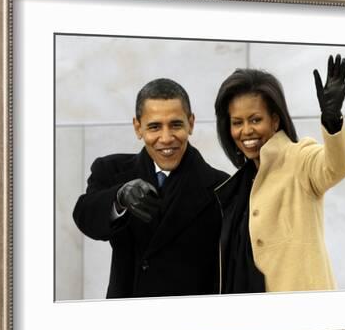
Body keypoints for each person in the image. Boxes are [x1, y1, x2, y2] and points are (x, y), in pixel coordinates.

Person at [73, 78, 229, 298]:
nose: (166, 138)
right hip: (128, 320)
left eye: (176, 125)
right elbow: (85, 217)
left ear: (191, 123)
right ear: (138, 128)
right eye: (154, 127)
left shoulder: (222, 186)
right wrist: (119, 198)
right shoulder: (110, 170)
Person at [214, 54, 345, 293]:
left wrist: (332, 120)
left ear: (275, 120)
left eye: (255, 119)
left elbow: (334, 166)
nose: (246, 130)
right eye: (237, 122)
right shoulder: (239, 184)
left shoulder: (299, 158)